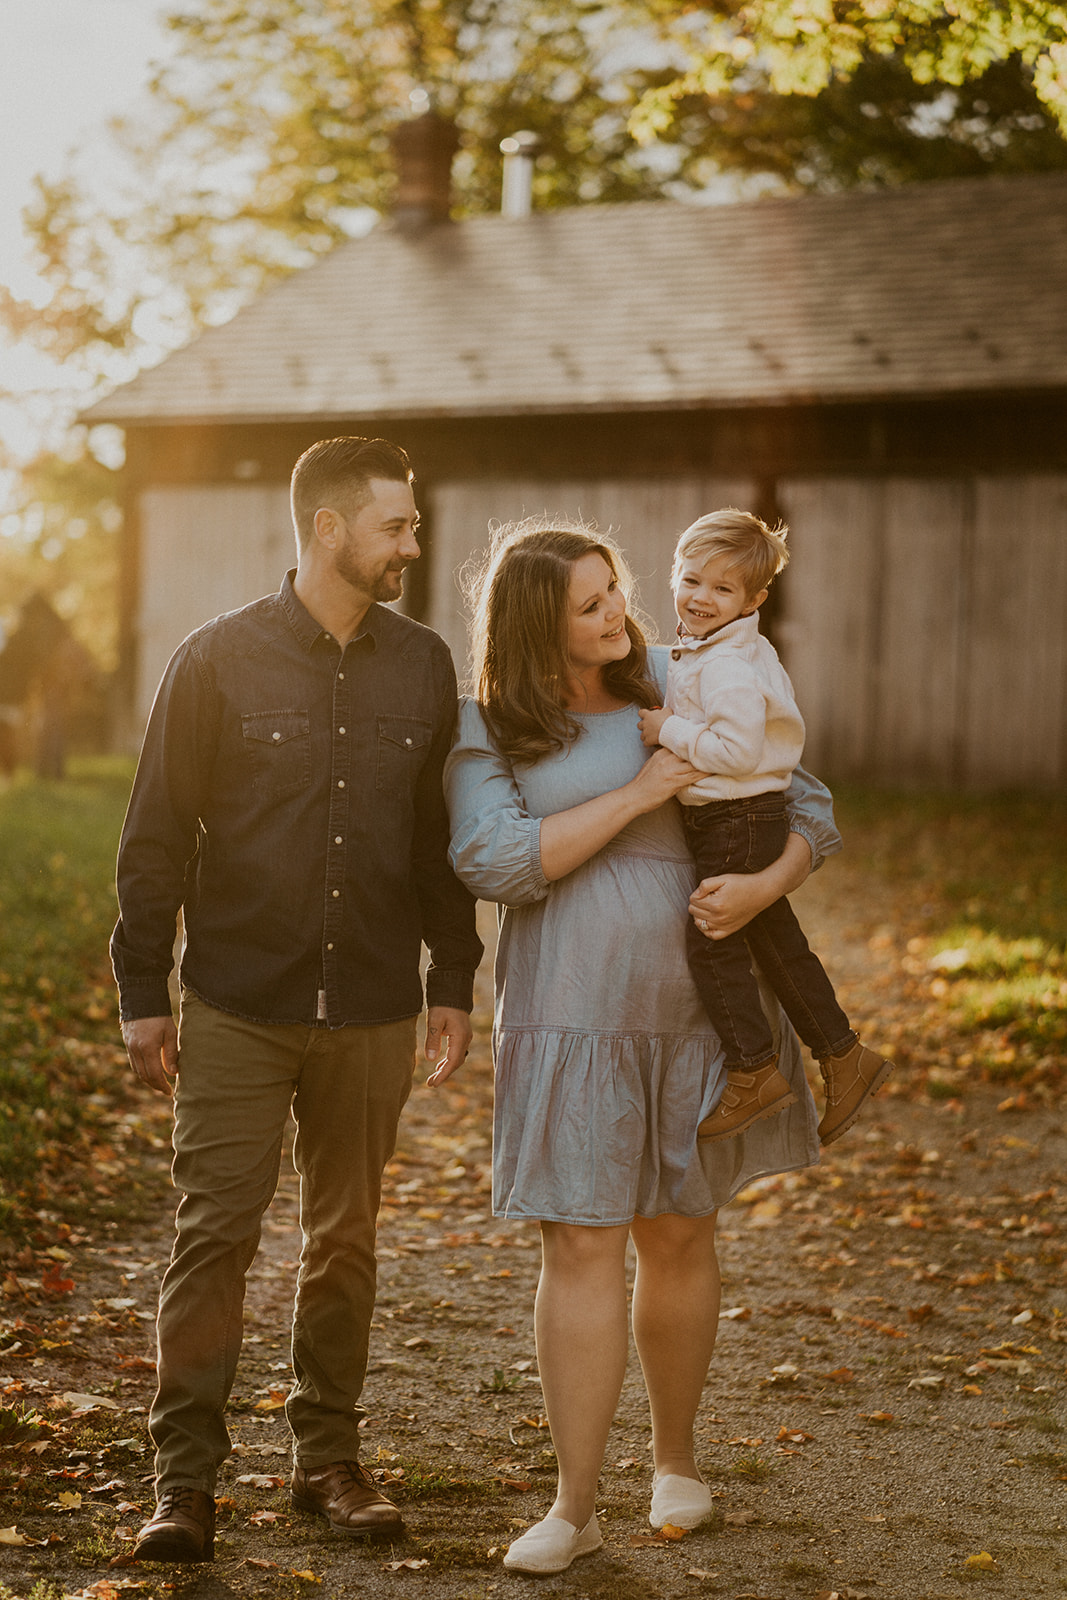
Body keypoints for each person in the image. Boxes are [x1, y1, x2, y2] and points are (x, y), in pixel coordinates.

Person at [444, 519, 841, 1576]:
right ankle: (570, 1505)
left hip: (698, 1021)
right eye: (587, 604)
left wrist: (764, 884)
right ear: (536, 622)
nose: (617, 614)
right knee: (577, 1242)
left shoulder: (685, 673)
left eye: (613, 590)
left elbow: (805, 803)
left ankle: (676, 1464)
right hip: (569, 1018)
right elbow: (495, 859)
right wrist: (644, 790)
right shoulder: (491, 725)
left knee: (676, 1234)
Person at [111, 436, 482, 1563]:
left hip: (370, 1005)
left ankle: (327, 1459)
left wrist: (451, 979)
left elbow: (437, 843)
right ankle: (184, 1484)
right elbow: (155, 836)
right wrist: (143, 989)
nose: (411, 545)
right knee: (213, 1236)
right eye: (396, 527)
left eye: (410, 527)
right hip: (235, 999)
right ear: (328, 528)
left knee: (347, 1238)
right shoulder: (214, 660)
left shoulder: (421, 666)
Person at [638, 509, 892, 1146]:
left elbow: (736, 752)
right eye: (692, 579)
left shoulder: (728, 665)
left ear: (754, 599)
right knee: (777, 944)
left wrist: (664, 730)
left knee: (711, 939)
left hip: (736, 816)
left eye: (723, 590)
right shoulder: (717, 648)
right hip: (743, 816)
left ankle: (753, 1071)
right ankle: (842, 1054)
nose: (701, 597)